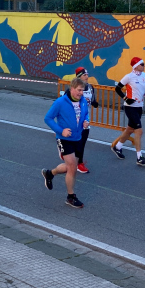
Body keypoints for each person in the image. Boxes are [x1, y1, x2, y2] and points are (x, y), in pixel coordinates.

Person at [41, 77, 90, 209]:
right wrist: (61, 131)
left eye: (83, 91)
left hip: (78, 137)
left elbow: (86, 114)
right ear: (72, 89)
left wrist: (86, 121)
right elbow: (48, 118)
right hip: (64, 139)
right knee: (72, 167)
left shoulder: (83, 101)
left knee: (70, 167)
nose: (81, 93)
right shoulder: (60, 102)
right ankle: (70, 197)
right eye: (79, 90)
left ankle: (50, 173)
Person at [111, 57, 145, 166]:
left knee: (130, 129)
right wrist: (126, 98)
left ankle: (117, 147)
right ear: (136, 66)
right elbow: (117, 88)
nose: (144, 66)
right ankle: (139, 157)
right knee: (139, 131)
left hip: (139, 106)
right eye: (142, 64)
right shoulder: (129, 77)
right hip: (130, 107)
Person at [75, 67, 99, 174]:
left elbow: (92, 100)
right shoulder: (73, 89)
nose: (87, 76)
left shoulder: (90, 87)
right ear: (79, 77)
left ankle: (79, 162)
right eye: (84, 75)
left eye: (87, 74)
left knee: (82, 141)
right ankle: (74, 160)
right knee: (75, 141)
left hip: (85, 119)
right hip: (74, 119)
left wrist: (95, 103)